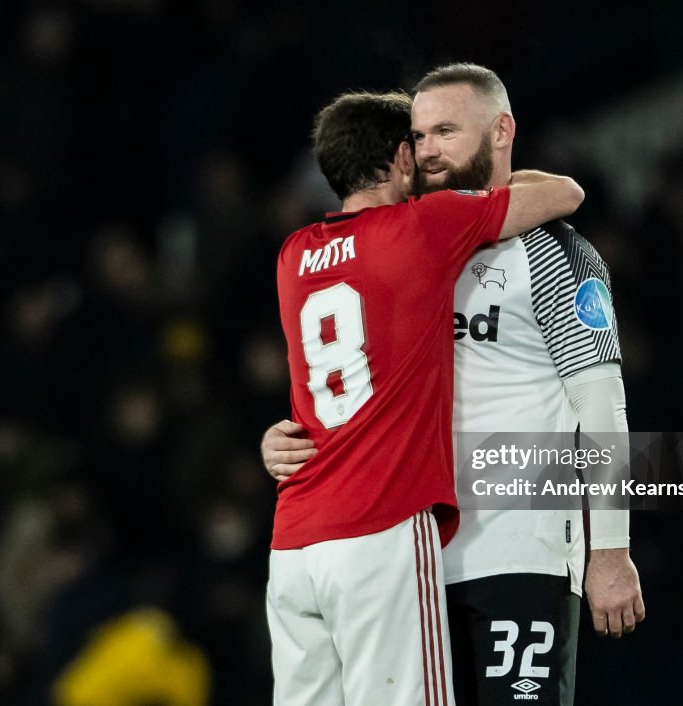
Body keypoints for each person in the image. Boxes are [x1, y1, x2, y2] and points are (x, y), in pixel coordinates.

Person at [263, 64, 643, 706]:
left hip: (519, 547)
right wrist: (284, 435)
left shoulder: (552, 254)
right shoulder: (398, 239)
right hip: (404, 556)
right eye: (417, 134)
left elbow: (601, 404)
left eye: (445, 131)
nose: (428, 149)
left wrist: (610, 548)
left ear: (500, 131)